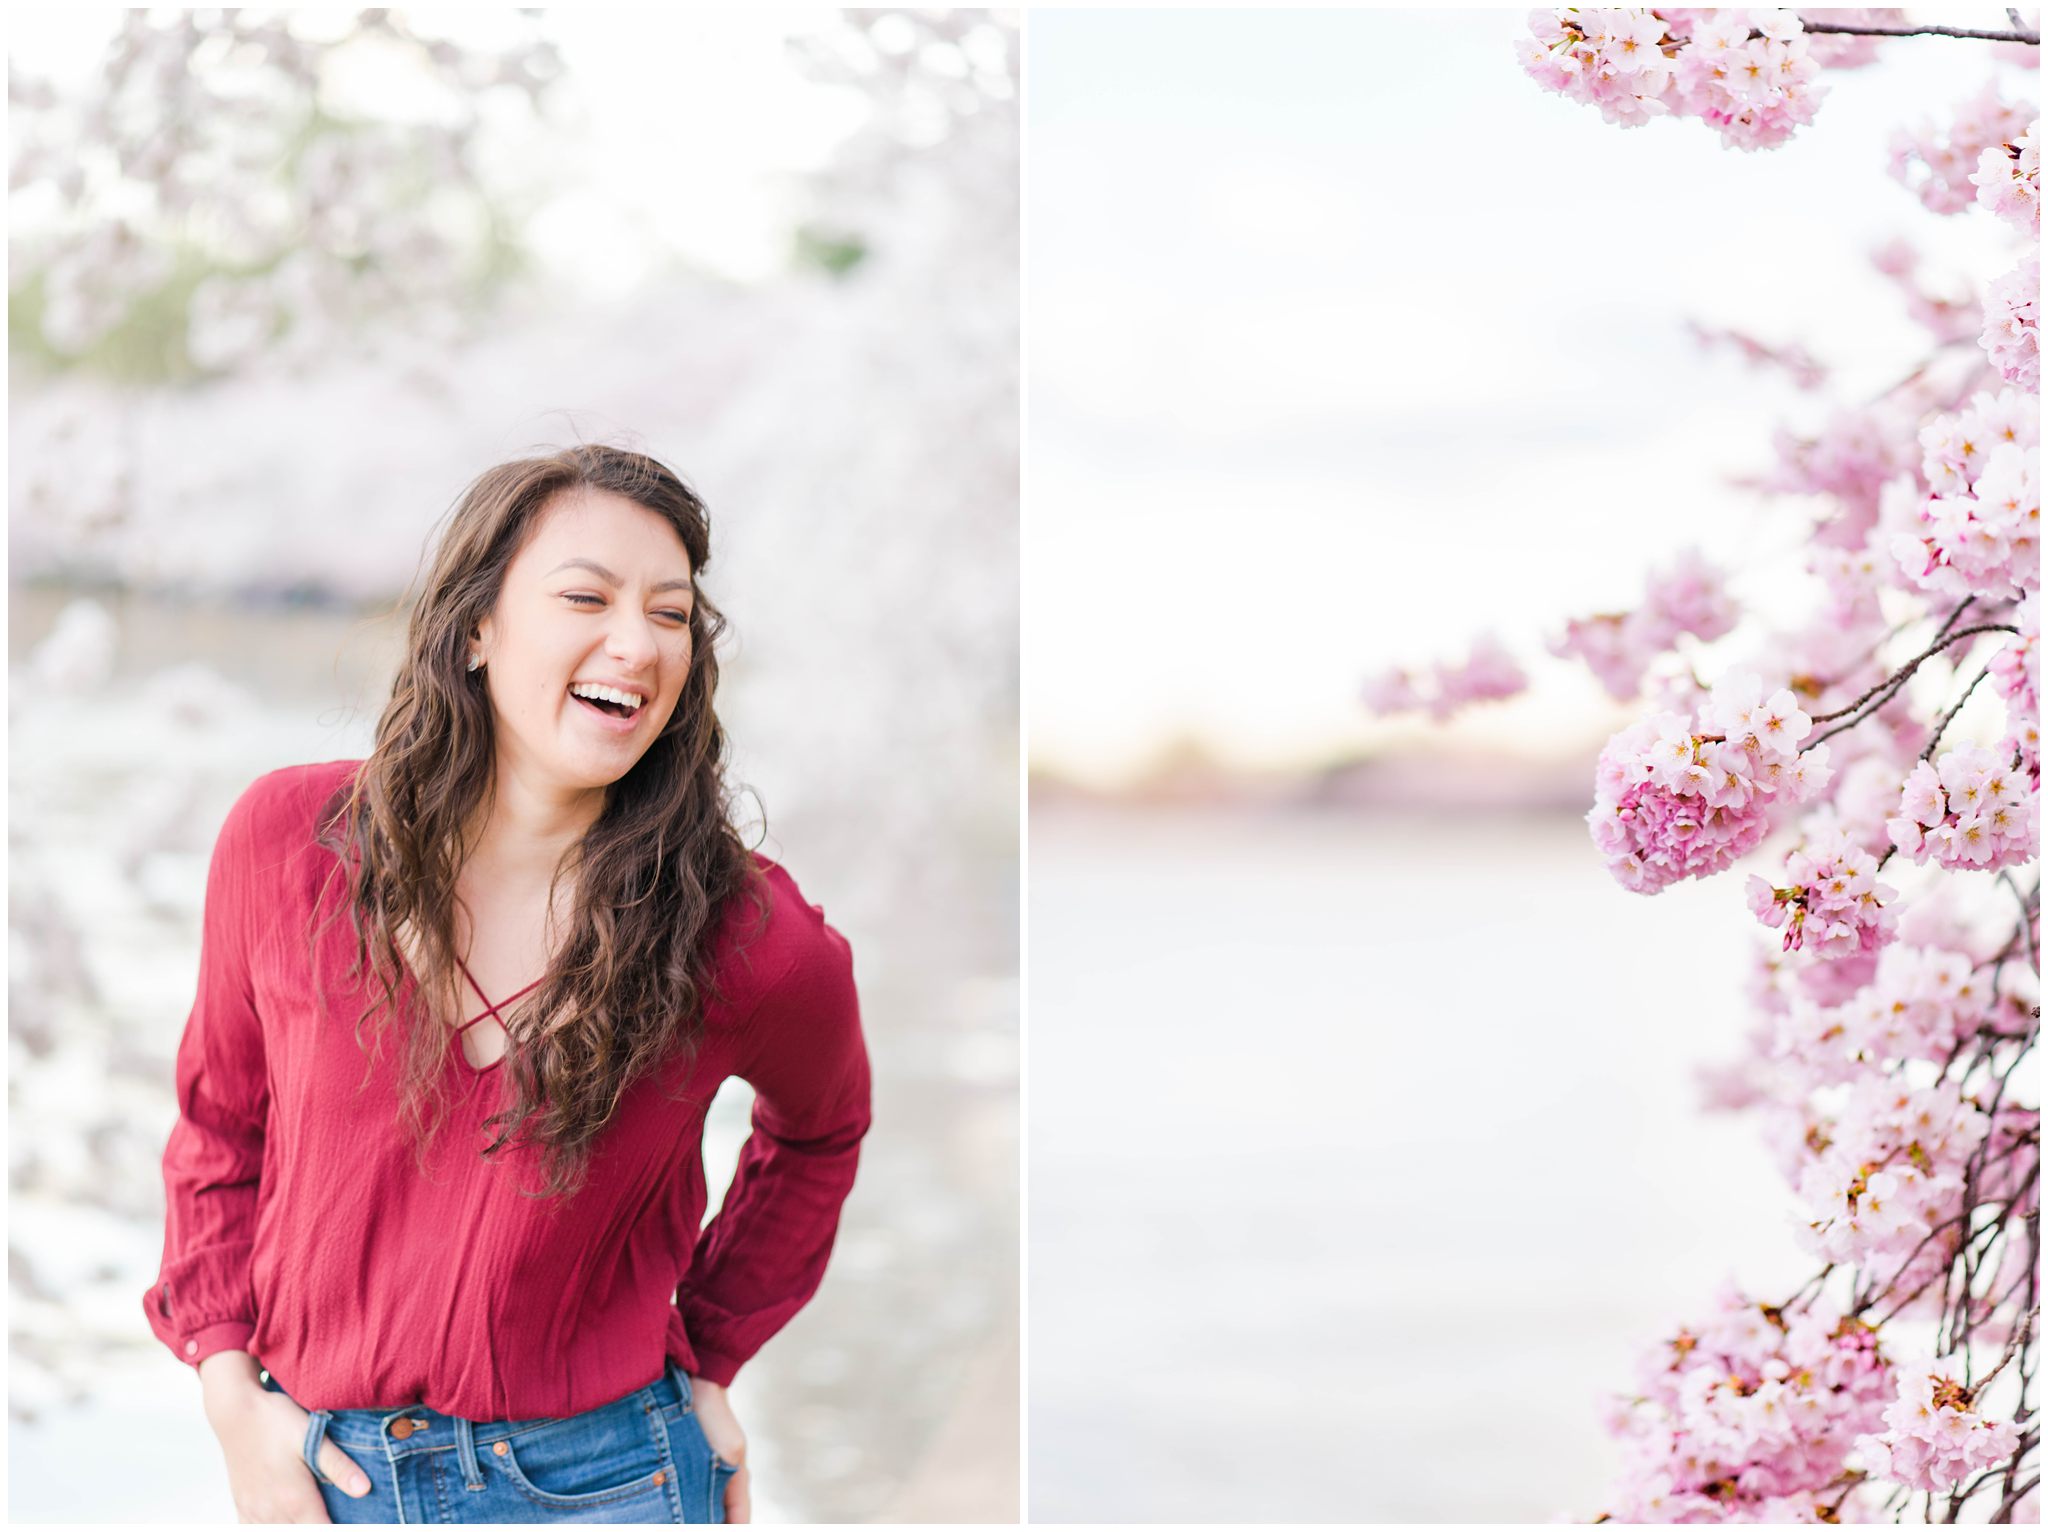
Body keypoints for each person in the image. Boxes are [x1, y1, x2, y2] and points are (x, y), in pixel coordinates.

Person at [142, 445, 872, 1524]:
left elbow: (819, 1130)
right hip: (322, 1478)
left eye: (671, 614)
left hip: (614, 1479)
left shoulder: (747, 933)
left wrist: (711, 1349)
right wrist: (229, 1397)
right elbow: (219, 1130)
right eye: (586, 595)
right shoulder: (287, 844)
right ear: (476, 625)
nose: (636, 641)